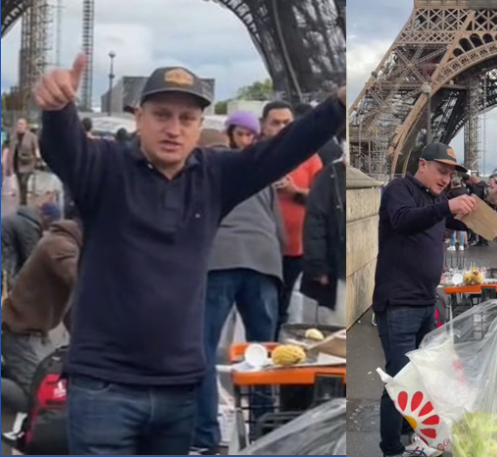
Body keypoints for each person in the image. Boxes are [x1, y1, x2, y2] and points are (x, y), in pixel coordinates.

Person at [34, 55, 345, 455]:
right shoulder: (104, 168)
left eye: (186, 118)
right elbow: (64, 149)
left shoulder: (214, 175)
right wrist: (58, 110)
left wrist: (338, 104)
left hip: (178, 392)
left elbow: (283, 150)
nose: (173, 129)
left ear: (200, 125)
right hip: (105, 388)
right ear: (138, 117)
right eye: (161, 115)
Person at [373, 142, 497, 457]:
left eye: (450, 174)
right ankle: (391, 449)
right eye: (441, 171)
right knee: (400, 380)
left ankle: (409, 432)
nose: (446, 179)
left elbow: (462, 222)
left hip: (426, 300)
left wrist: (490, 202)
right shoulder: (399, 190)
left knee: (422, 377)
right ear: (422, 164)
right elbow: (403, 220)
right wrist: (447, 206)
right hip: (399, 303)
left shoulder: (435, 200)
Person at [191, 121, 286, 455]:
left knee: (203, 349)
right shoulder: (255, 174)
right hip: (263, 260)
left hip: (217, 260)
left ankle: (205, 435)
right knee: (263, 351)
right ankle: (264, 428)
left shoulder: (195, 172)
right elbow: (279, 231)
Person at [261, 101, 324, 336]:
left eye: (286, 122)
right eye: (275, 123)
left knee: (283, 303)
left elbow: (321, 199)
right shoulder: (254, 157)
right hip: (261, 249)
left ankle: (276, 346)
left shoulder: (310, 157)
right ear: (263, 125)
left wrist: (294, 191)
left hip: (294, 248)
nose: (282, 127)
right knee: (262, 307)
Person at [0, 216, 81, 394]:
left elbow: (71, 304)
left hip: (36, 333)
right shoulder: (60, 246)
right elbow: (81, 280)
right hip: (21, 332)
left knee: (53, 388)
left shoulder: (70, 244)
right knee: (41, 393)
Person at [302, 141, 346, 325]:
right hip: (337, 271)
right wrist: (317, 265)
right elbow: (315, 223)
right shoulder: (329, 177)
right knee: (337, 326)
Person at [1, 203, 59, 280]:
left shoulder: (25, 220)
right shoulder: (29, 226)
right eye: (51, 223)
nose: (49, 228)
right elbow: (30, 258)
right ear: (46, 218)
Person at [7, 118, 39, 205]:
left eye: (21, 124)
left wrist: (37, 158)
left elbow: (36, 149)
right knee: (20, 183)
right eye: (18, 124)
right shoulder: (13, 137)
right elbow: (11, 150)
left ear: (26, 125)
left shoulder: (32, 137)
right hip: (17, 163)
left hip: (28, 163)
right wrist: (9, 164)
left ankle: (23, 201)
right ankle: (22, 201)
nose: (19, 126)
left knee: (24, 182)